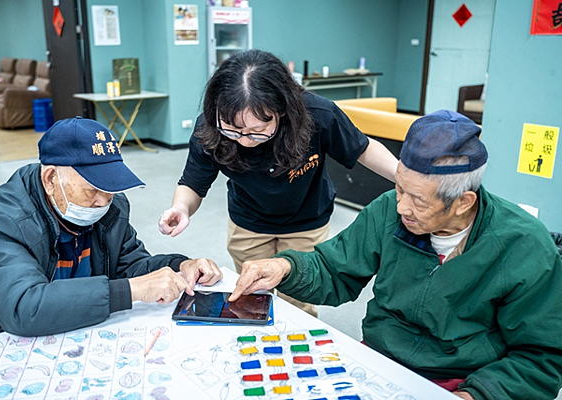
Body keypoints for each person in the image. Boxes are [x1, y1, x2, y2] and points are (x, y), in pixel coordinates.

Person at [230, 110, 562, 400]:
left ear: (463, 202)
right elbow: (334, 269)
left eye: (418, 199)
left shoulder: (523, 245)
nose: (401, 207)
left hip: (463, 378)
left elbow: (541, 356)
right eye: (399, 188)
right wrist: (286, 267)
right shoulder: (389, 209)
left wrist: (475, 394)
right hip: (380, 362)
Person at [158, 49, 398, 317]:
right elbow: (193, 182)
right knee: (251, 298)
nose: (244, 140)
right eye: (233, 130)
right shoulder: (210, 127)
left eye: (257, 131)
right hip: (248, 222)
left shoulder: (317, 114)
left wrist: (403, 175)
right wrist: (181, 208)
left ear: (282, 110)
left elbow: (362, 148)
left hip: (306, 221)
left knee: (298, 302)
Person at [0, 117, 222, 344]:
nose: (103, 201)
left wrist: (179, 266)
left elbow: (131, 267)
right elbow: (24, 308)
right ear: (51, 179)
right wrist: (130, 290)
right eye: (92, 190)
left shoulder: (111, 208)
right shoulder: (0, 220)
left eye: (110, 187)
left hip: (74, 328)